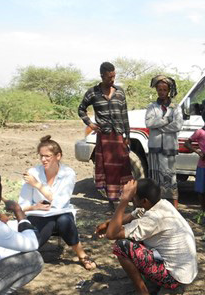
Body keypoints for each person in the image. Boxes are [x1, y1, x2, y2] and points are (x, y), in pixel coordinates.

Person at [95, 179, 198, 295]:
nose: (132, 201)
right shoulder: (162, 204)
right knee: (133, 237)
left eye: (133, 198)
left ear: (144, 201)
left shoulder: (153, 218)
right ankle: (151, 282)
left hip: (174, 277)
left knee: (121, 246)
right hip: (183, 271)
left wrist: (123, 201)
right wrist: (108, 223)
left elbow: (111, 234)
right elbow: (131, 216)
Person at [19, 135, 96, 270]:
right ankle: (27, 254)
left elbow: (59, 204)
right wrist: (34, 206)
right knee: (50, 221)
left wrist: (37, 185)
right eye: (41, 156)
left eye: (47, 156)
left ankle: (82, 255)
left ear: (58, 156)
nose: (43, 159)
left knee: (63, 220)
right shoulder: (33, 172)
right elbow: (22, 206)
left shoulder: (68, 173)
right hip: (38, 215)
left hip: (62, 214)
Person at [78, 62, 133, 210]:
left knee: (123, 167)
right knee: (108, 168)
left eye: (114, 76)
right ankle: (111, 200)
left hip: (119, 135)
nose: (112, 79)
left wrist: (127, 135)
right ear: (102, 76)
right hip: (105, 136)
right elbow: (81, 109)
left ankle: (124, 199)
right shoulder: (92, 92)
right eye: (109, 77)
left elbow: (124, 114)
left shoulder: (120, 92)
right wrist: (90, 124)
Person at [145, 75, 183, 208]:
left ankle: (174, 209)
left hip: (169, 148)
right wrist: (166, 121)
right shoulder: (152, 106)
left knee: (170, 178)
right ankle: (157, 208)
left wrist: (159, 127)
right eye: (159, 89)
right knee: (155, 179)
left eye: (164, 89)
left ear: (169, 90)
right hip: (155, 148)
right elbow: (148, 123)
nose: (161, 92)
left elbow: (178, 125)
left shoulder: (175, 107)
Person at [184, 103, 205, 218]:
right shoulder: (199, 132)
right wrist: (198, 152)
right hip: (203, 166)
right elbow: (187, 143)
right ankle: (203, 211)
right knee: (201, 190)